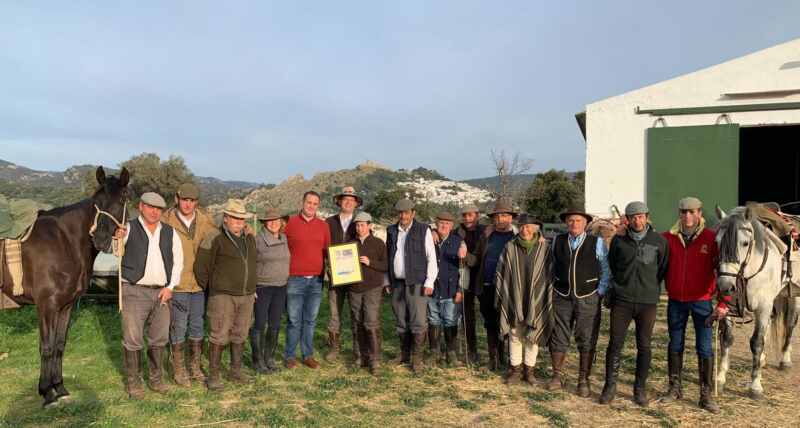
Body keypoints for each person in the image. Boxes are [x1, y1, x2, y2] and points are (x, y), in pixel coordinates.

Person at [659, 197, 730, 413]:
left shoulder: (712, 239)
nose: (687, 216)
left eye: (692, 212)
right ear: (679, 214)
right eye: (684, 212)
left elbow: (724, 271)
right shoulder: (668, 238)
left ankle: (705, 395)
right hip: (676, 302)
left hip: (702, 302)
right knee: (675, 344)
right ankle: (675, 388)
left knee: (704, 347)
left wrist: (723, 302)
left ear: (699, 213)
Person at [599, 201, 669, 407]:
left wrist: (650, 287)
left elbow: (662, 268)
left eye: (640, 216)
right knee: (615, 344)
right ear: (627, 220)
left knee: (644, 346)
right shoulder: (619, 241)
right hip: (622, 300)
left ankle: (639, 389)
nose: (637, 221)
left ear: (647, 217)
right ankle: (609, 387)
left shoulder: (659, 241)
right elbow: (613, 264)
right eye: (633, 217)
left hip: (647, 302)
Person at [118, 192, 184, 399]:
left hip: (162, 292)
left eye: (158, 209)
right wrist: (117, 237)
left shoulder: (170, 233)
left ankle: (156, 379)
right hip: (134, 290)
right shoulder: (127, 228)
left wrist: (170, 287)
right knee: (133, 338)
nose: (154, 212)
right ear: (141, 207)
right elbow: (114, 251)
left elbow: (178, 262)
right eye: (150, 207)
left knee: (159, 338)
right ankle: (134, 383)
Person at [194, 199, 257, 391]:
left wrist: (251, 287)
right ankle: (213, 376)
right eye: (235, 218)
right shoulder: (214, 237)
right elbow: (201, 268)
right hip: (223, 296)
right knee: (219, 334)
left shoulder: (249, 237)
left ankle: (235, 371)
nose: (239, 222)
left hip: (247, 295)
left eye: (242, 219)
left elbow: (252, 264)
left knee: (240, 333)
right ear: (226, 218)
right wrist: (214, 288)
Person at [547, 206, 610, 396]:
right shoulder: (557, 241)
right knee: (558, 335)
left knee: (587, 337)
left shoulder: (596, 242)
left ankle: (583, 380)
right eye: (571, 220)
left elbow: (605, 269)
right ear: (566, 223)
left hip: (588, 296)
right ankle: (557, 376)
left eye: (578, 220)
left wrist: (600, 292)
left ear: (585, 223)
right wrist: (552, 288)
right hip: (562, 295)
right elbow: (551, 265)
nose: (574, 224)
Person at [161, 183, 217, 387]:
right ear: (177, 199)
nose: (187, 204)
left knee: (196, 325)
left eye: (191, 201)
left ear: (196, 202)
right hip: (177, 283)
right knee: (178, 325)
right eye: (184, 200)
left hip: (199, 284)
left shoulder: (206, 221)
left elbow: (218, 238)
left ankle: (194, 366)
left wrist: (245, 229)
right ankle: (178, 368)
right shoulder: (165, 220)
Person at [496, 214, 552, 385]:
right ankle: (515, 370)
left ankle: (529, 371)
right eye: (521, 226)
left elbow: (550, 273)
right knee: (515, 333)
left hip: (536, 298)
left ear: (535, 228)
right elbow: (502, 271)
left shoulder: (545, 247)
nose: (524, 229)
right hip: (514, 296)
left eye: (528, 226)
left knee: (532, 334)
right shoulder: (510, 247)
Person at [386, 198, 438, 374]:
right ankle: (404, 354)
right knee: (401, 320)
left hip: (417, 282)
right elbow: (388, 255)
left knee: (418, 322)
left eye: (407, 212)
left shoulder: (423, 230)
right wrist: (387, 280)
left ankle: (417, 359)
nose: (403, 216)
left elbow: (431, 257)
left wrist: (430, 281)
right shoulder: (391, 230)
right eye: (400, 213)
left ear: (413, 213)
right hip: (397, 283)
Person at [283, 191, 331, 369]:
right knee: (294, 320)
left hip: (316, 280)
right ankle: (289, 356)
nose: (311, 206)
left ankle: (307, 355)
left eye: (315, 203)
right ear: (302, 203)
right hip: (295, 279)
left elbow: (328, 252)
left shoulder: (323, 226)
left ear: (318, 206)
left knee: (310, 320)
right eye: (309, 202)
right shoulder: (290, 223)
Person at [472, 197, 518, 371]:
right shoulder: (486, 236)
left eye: (504, 215)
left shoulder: (517, 237)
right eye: (497, 216)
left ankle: (508, 359)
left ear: (511, 217)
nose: (500, 219)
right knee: (490, 323)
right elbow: (476, 258)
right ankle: (494, 360)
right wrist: (462, 251)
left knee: (507, 322)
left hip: (508, 288)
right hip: (487, 286)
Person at [250, 208, 290, 374]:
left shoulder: (284, 238)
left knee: (275, 323)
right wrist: (251, 287)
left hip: (281, 287)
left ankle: (270, 358)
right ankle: (257, 360)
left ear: (281, 222)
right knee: (259, 323)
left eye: (276, 220)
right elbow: (250, 264)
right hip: (263, 287)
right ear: (265, 223)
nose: (273, 223)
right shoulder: (258, 240)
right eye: (270, 220)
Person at [324, 186, 361, 361]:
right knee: (334, 313)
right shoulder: (329, 222)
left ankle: (357, 348)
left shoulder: (360, 221)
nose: (348, 202)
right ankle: (334, 347)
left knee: (356, 312)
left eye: (351, 200)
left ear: (356, 204)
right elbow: (323, 245)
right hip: (335, 275)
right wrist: (327, 266)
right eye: (345, 199)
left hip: (355, 276)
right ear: (339, 202)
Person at [348, 212, 388, 374]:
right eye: (357, 225)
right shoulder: (350, 244)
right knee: (356, 322)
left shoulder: (378, 243)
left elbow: (385, 265)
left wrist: (370, 262)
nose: (359, 228)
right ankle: (359, 356)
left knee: (371, 322)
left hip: (372, 287)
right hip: (354, 288)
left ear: (369, 226)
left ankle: (374, 359)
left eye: (362, 225)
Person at [428, 212, 467, 366]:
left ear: (452, 226)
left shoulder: (458, 242)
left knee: (450, 320)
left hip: (451, 289)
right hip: (433, 288)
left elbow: (463, 269)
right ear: (436, 224)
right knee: (433, 320)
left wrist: (460, 289)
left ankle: (451, 353)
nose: (443, 226)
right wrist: (431, 230)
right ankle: (434, 352)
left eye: (447, 223)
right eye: (441, 223)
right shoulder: (429, 238)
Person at [455, 204, 485, 365]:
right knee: (468, 316)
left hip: (482, 277)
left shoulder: (485, 231)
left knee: (490, 316)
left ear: (477, 216)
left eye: (470, 215)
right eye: (465, 215)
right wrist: (433, 231)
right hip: (465, 277)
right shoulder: (457, 232)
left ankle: (498, 354)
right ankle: (471, 351)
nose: (467, 218)